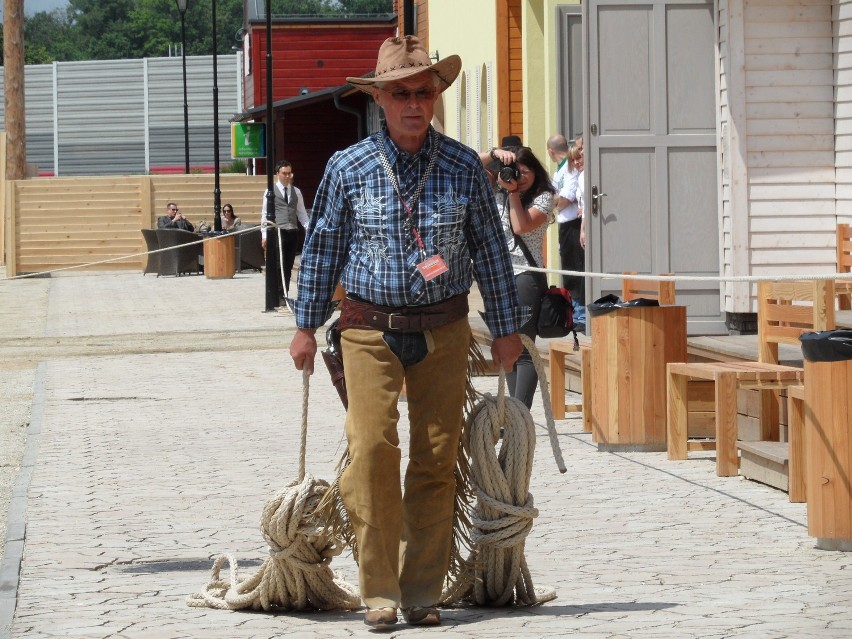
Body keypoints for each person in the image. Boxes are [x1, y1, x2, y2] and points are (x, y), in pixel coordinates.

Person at [288, 35, 524, 630]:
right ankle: (378, 591)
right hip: (368, 330)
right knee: (371, 452)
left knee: (437, 459)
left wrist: (505, 328)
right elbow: (322, 251)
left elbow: (491, 251)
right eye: (400, 93)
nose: (413, 103)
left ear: (437, 96)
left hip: (445, 330)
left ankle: (421, 590)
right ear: (380, 100)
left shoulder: (464, 166)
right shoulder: (348, 167)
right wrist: (305, 327)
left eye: (423, 91)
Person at [483, 145, 556, 408]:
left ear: (536, 172)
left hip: (526, 274)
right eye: (516, 171)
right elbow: (467, 168)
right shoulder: (496, 190)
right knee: (506, 345)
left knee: (523, 347)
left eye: (526, 172)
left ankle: (519, 412)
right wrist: (493, 156)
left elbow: (521, 226)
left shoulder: (544, 197)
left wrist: (513, 192)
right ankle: (512, 412)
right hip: (498, 277)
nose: (521, 177)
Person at [547, 133, 586, 332]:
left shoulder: (570, 168)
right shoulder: (559, 171)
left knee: (576, 270)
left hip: (573, 224)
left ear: (550, 151)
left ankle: (581, 315)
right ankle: (576, 312)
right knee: (569, 269)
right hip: (566, 226)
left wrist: (552, 201)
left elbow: (565, 199)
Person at [260, 160, 309, 306]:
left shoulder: (296, 192)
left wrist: (309, 230)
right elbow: (264, 214)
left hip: (292, 232)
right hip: (277, 232)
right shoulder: (270, 192)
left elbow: (302, 214)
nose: (287, 176)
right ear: (277, 174)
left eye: (289, 173)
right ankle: (277, 295)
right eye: (284, 173)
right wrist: (264, 235)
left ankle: (285, 294)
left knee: (287, 265)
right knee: (277, 265)